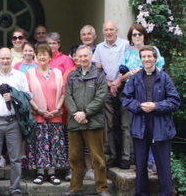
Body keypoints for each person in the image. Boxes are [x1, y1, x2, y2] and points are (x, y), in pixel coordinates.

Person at [121, 47, 180, 196]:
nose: (147, 59)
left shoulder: (164, 78)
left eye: (149, 56)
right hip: (140, 126)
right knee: (140, 165)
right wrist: (139, 107)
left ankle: (166, 193)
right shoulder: (135, 78)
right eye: (144, 57)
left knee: (163, 165)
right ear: (141, 59)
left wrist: (156, 106)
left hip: (160, 126)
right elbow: (125, 98)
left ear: (155, 58)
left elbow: (174, 101)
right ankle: (141, 193)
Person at [0, 47, 30, 196]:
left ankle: (15, 189)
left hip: (14, 121)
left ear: (12, 59)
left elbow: (28, 96)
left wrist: (14, 97)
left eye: (8, 58)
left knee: (15, 159)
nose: (5, 61)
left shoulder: (19, 76)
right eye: (2, 58)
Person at [119, 23, 165, 174]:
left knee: (152, 129)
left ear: (144, 35)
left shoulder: (153, 50)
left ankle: (153, 162)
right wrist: (131, 74)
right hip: (134, 97)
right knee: (137, 130)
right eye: (134, 34)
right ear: (130, 38)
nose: (137, 37)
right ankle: (140, 162)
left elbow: (161, 71)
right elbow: (121, 77)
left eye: (139, 34)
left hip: (152, 95)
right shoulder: (128, 54)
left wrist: (145, 71)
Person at [64, 45, 109, 196]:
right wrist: (76, 113)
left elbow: (101, 98)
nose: (82, 59)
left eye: (85, 56)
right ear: (76, 58)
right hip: (74, 122)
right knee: (75, 158)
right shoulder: (72, 75)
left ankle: (102, 188)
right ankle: (75, 188)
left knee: (98, 158)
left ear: (91, 57)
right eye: (80, 56)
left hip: (93, 122)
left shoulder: (99, 75)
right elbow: (68, 96)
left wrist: (86, 113)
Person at [26, 43, 68, 185]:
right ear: (36, 57)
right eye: (39, 54)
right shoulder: (30, 73)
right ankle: (40, 173)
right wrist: (38, 109)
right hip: (38, 115)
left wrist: (57, 108)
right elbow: (28, 94)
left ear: (50, 56)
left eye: (45, 54)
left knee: (54, 145)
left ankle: (51, 173)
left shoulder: (57, 73)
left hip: (55, 115)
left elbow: (63, 92)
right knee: (40, 144)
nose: (42, 56)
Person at [92, 20, 131, 169]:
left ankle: (126, 157)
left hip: (124, 87)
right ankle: (113, 156)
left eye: (111, 30)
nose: (109, 32)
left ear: (117, 30)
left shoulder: (125, 45)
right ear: (103, 31)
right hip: (107, 88)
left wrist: (118, 82)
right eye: (106, 30)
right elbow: (98, 70)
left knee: (124, 124)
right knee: (109, 124)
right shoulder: (100, 48)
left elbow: (129, 65)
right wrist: (109, 84)